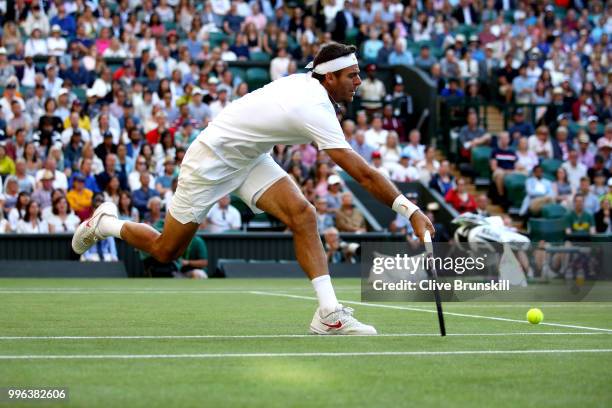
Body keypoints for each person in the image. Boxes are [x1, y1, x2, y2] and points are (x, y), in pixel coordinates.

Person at [72, 42, 434, 335]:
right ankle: (105, 224)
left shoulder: (314, 91)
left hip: (250, 159)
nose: (358, 82)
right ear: (329, 77)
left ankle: (328, 314)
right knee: (165, 251)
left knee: (304, 216)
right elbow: (365, 174)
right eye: (352, 76)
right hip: (211, 159)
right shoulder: (313, 105)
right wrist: (411, 210)